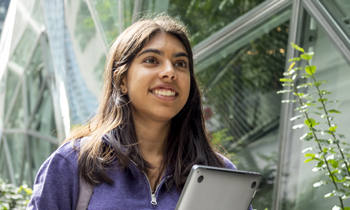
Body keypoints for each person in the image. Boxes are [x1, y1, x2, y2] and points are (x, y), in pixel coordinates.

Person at [27, 15, 250, 210]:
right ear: (121, 80)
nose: (170, 72)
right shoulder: (74, 163)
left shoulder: (218, 173)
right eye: (151, 60)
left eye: (181, 64)